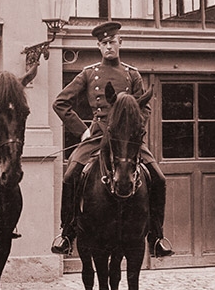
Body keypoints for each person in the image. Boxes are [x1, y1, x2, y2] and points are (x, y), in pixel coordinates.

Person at [51, 21, 173, 258]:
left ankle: (157, 237)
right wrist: (82, 131)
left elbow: (144, 107)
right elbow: (60, 103)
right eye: (104, 43)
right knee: (70, 175)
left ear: (120, 43)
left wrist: (131, 128)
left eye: (112, 42)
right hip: (97, 136)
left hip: (127, 139)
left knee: (158, 178)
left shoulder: (132, 74)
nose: (108, 46)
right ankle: (67, 233)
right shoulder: (88, 73)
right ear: (99, 46)